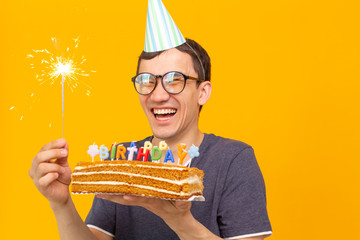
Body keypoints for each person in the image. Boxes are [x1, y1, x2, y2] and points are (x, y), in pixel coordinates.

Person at [29, 1, 271, 239]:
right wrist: (61, 204)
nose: (157, 95)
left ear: (203, 92)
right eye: (147, 81)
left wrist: (179, 220)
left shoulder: (233, 161)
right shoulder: (121, 160)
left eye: (174, 79)